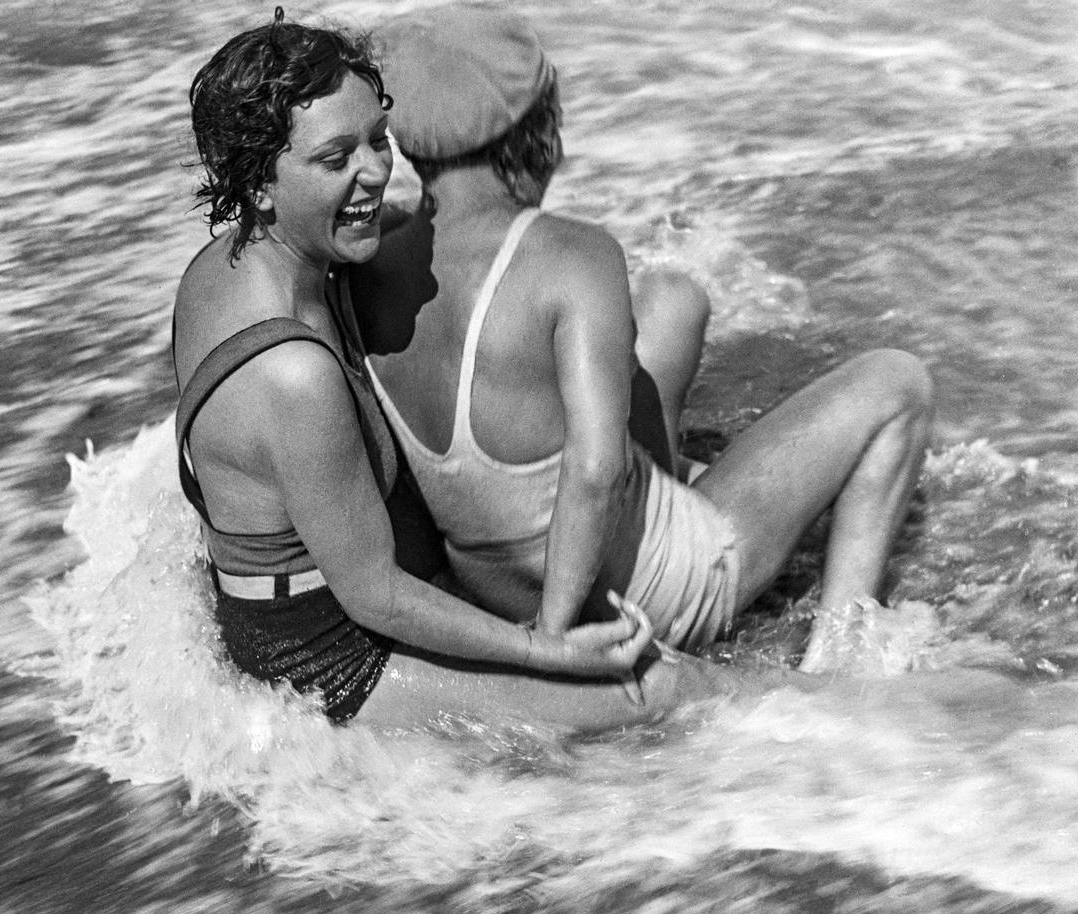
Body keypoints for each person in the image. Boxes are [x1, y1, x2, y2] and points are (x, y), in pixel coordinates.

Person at [171, 10, 732, 731]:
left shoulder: (219, 269)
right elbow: (375, 594)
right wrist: (543, 650)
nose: (374, 172)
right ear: (260, 186)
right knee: (671, 690)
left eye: (379, 140)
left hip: (271, 603)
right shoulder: (292, 376)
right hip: (330, 663)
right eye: (335, 159)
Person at [352, 3, 936, 673]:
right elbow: (595, 472)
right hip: (649, 595)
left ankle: (682, 484)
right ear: (536, 127)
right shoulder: (574, 256)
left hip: (495, 583)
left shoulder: (377, 262)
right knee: (897, 383)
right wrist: (553, 642)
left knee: (672, 303)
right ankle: (840, 662)